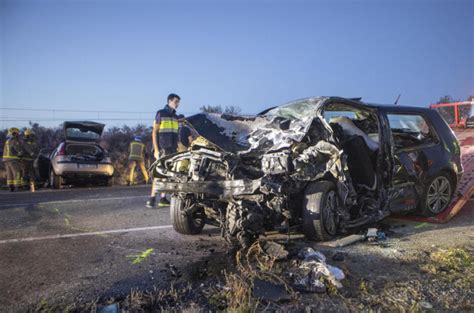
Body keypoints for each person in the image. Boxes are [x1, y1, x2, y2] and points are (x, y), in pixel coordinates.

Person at [146, 93, 181, 208]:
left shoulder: (176, 117)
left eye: (178, 102)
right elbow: (154, 132)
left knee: (168, 173)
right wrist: (156, 150)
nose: (177, 104)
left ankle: (163, 198)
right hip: (162, 148)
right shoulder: (160, 113)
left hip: (173, 149)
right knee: (159, 173)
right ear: (169, 101)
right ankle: (152, 199)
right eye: (176, 101)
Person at [2, 127, 22, 192]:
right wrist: (20, 153)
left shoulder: (7, 141)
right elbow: (17, 150)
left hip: (6, 160)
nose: (18, 135)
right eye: (17, 134)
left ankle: (10, 186)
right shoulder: (14, 141)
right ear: (14, 134)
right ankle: (18, 186)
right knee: (17, 172)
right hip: (13, 159)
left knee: (9, 173)